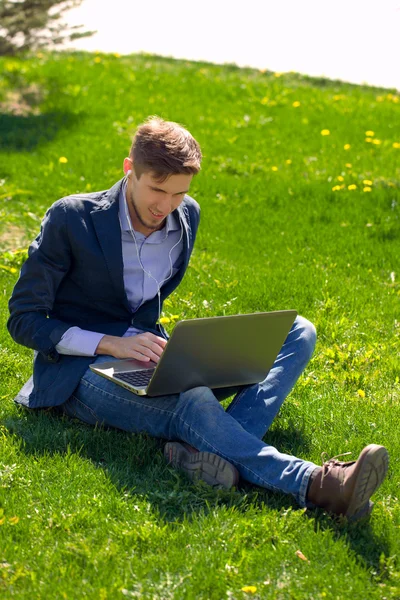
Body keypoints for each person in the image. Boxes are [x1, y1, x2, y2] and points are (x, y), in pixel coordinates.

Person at [8, 116, 389, 521]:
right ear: (128, 170)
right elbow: (24, 319)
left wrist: (170, 351)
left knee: (298, 332)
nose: (165, 206)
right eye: (157, 189)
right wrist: (110, 344)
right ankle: (321, 485)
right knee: (194, 399)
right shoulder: (72, 217)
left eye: (178, 193)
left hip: (151, 357)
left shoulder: (187, 215)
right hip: (81, 372)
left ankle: (201, 456)